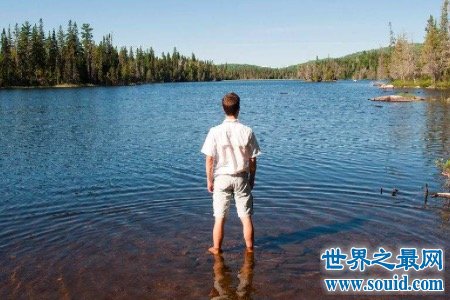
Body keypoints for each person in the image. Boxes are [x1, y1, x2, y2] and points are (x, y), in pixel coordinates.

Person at [201, 92, 261, 255]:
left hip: (221, 178)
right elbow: (253, 159)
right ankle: (249, 250)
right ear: (238, 109)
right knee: (246, 217)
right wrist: (252, 178)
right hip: (241, 177)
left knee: (219, 217)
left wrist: (209, 180)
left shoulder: (214, 131)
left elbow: (209, 159)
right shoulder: (247, 131)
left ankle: (217, 249)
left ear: (223, 109)